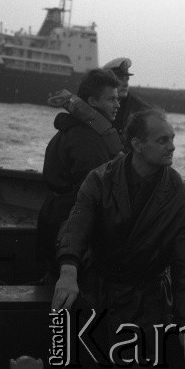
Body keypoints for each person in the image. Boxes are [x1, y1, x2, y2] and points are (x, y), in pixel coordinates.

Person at [52, 109, 185, 366]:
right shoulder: (100, 179)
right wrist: (68, 271)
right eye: (162, 140)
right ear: (137, 144)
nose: (172, 147)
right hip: (99, 291)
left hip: (147, 302)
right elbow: (76, 226)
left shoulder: (180, 194)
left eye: (172, 139)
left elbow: (184, 264)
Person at [36, 69, 123, 276]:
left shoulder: (72, 131)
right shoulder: (87, 140)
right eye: (111, 99)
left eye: (118, 99)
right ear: (92, 101)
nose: (118, 105)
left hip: (54, 222)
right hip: (69, 233)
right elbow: (89, 199)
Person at [102, 57, 150, 134]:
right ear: (108, 81)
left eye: (127, 79)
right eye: (120, 78)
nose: (126, 84)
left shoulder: (140, 109)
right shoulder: (99, 103)